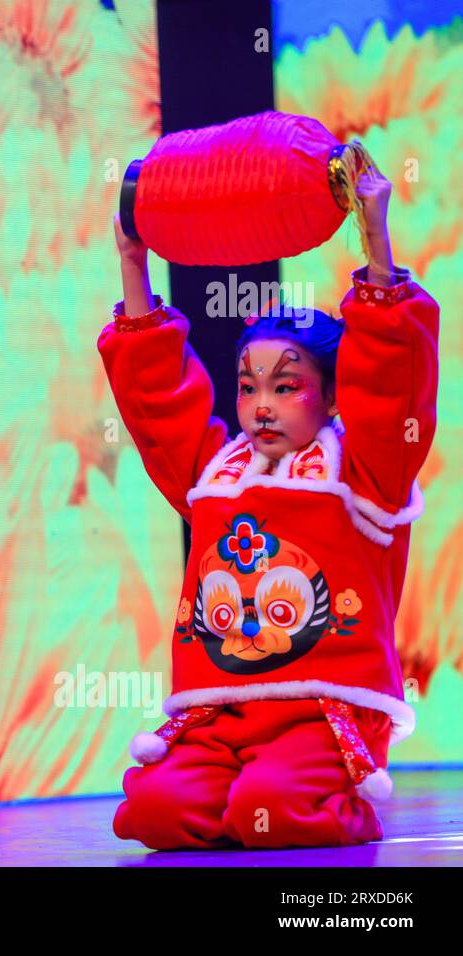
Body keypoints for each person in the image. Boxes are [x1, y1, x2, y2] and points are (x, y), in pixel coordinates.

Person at [102, 166, 439, 848]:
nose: (260, 406)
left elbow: (393, 377)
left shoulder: (365, 472)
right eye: (249, 386)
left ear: (333, 396)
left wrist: (375, 235)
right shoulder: (214, 473)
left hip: (320, 713)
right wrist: (133, 262)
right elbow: (159, 397)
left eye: (285, 387)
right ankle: (243, 794)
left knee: (279, 808)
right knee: (154, 814)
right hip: (220, 715)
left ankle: (328, 795)